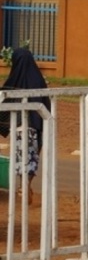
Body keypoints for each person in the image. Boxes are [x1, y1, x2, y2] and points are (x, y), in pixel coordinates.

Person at [0, 48, 51, 206]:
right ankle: (25, 185)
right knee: (32, 157)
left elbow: (3, 102)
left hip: (17, 127)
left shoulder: (12, 81)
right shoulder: (39, 81)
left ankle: (23, 186)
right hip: (36, 127)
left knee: (20, 157)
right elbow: (46, 103)